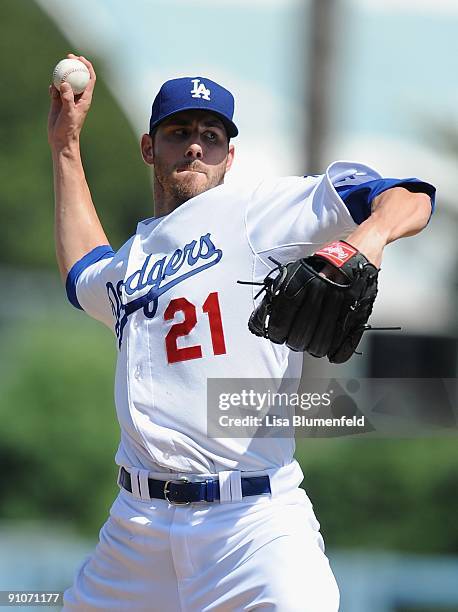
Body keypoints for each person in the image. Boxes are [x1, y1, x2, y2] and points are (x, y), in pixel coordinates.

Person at [48, 53, 435, 612]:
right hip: (137, 529)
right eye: (179, 132)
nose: (196, 145)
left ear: (231, 155)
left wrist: (367, 240)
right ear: (148, 149)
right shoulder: (131, 262)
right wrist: (65, 144)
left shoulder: (258, 211)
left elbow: (410, 195)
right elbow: (84, 270)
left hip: (251, 524)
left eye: (211, 134)